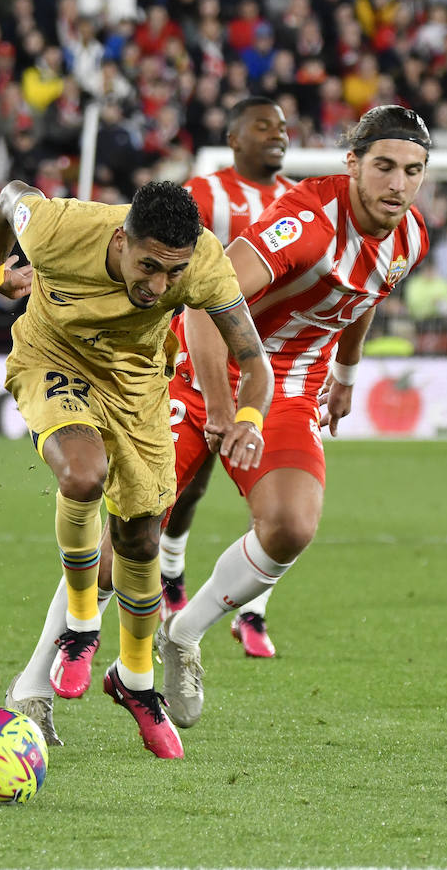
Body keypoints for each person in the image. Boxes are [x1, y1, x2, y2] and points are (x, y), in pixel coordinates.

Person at [156, 104, 432, 729]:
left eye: (412, 171)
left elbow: (368, 290)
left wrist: (346, 373)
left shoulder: (411, 235)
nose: (398, 184)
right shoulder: (307, 221)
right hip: (201, 370)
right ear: (353, 163)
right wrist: (222, 408)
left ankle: (183, 633)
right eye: (384, 167)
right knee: (125, 543)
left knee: (290, 527)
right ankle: (39, 680)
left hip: (290, 388)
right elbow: (203, 302)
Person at [0, 178, 274, 759]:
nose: (159, 285)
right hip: (53, 359)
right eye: (148, 267)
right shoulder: (58, 229)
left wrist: (249, 418)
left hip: (138, 386)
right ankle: (81, 624)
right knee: (82, 474)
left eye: (173, 272)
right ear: (121, 240)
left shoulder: (203, 260)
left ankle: (134, 681)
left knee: (140, 540)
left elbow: (252, 358)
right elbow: (11, 196)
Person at [161, 95, 294, 657]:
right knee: (188, 485)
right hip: (199, 360)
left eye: (283, 127)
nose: (278, 134)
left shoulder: (300, 202)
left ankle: (252, 612)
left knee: (275, 493)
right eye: (263, 126)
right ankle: (171, 570)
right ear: (234, 138)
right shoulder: (203, 193)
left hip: (270, 368)